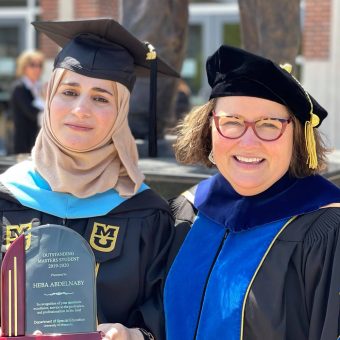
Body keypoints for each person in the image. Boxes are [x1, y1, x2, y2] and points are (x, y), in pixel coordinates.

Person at [0, 18, 178, 340]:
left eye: (101, 98)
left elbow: (166, 315)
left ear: (121, 110)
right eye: (69, 91)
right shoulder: (6, 197)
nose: (81, 109)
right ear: (49, 96)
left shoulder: (146, 213)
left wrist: (134, 335)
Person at [164, 45, 340, 340]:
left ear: (297, 136)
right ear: (209, 129)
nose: (248, 143)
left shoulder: (326, 229)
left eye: (269, 125)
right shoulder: (186, 212)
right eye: (231, 122)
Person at [9, 49, 45, 154]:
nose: (37, 68)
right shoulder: (19, 87)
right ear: (24, 67)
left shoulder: (39, 87)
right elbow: (32, 113)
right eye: (32, 65)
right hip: (24, 142)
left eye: (39, 65)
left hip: (38, 141)